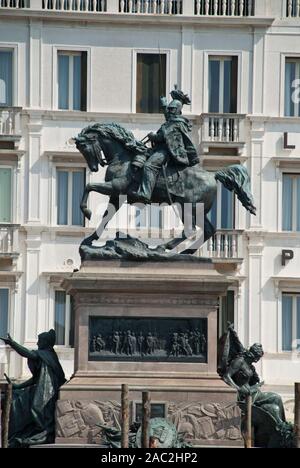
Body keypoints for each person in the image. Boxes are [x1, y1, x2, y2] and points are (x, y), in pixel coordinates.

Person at [131, 88, 199, 203]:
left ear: (178, 110)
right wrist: (164, 105)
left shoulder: (177, 123)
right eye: (169, 109)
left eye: (172, 109)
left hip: (168, 151)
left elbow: (165, 137)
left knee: (149, 165)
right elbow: (167, 117)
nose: (170, 111)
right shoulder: (172, 120)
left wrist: (153, 137)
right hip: (160, 148)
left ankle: (145, 193)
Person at [0, 330, 66, 447]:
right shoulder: (47, 357)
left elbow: (28, 354)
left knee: (22, 403)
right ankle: (17, 433)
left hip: (47, 394)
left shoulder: (47, 355)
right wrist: (18, 386)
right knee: (14, 398)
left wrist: (12, 343)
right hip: (41, 390)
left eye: (39, 341)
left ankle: (25, 433)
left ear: (45, 342)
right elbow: (36, 379)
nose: (37, 344)